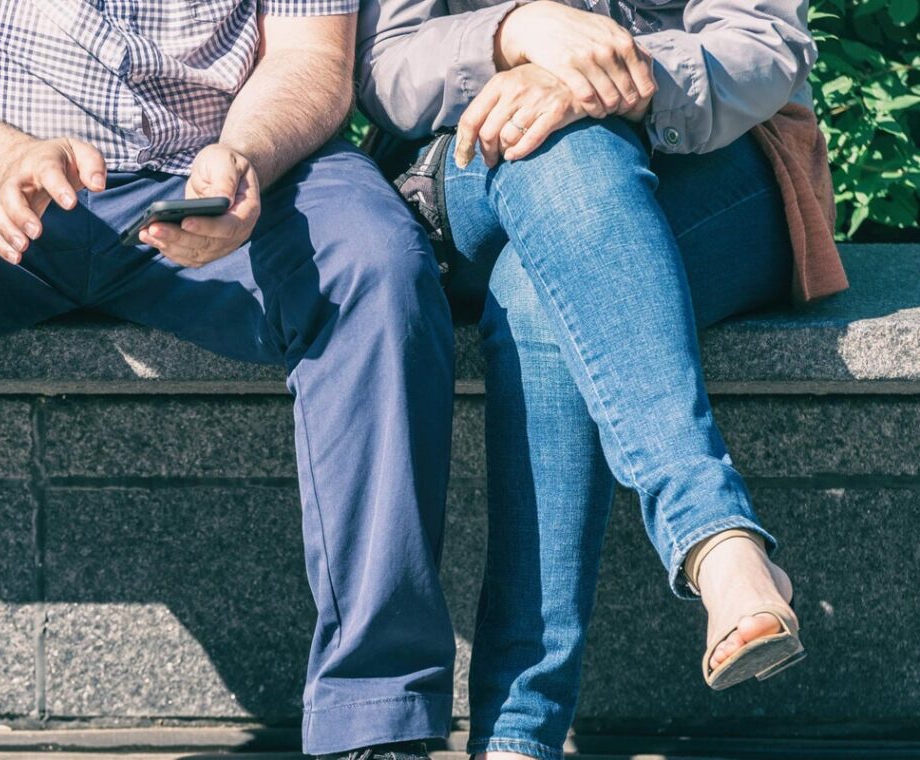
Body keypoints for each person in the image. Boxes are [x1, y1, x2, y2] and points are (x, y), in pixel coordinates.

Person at [0, 2, 460, 759]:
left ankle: (377, 720)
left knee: (373, 265)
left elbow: (310, 59)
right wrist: (5, 158)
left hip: (211, 175)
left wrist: (246, 155)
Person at [357, 0, 846, 757]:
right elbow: (383, 60)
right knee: (557, 142)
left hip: (716, 165)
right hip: (475, 162)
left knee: (540, 288)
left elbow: (765, 41)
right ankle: (716, 539)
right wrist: (510, 34)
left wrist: (612, 77)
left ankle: (516, 740)